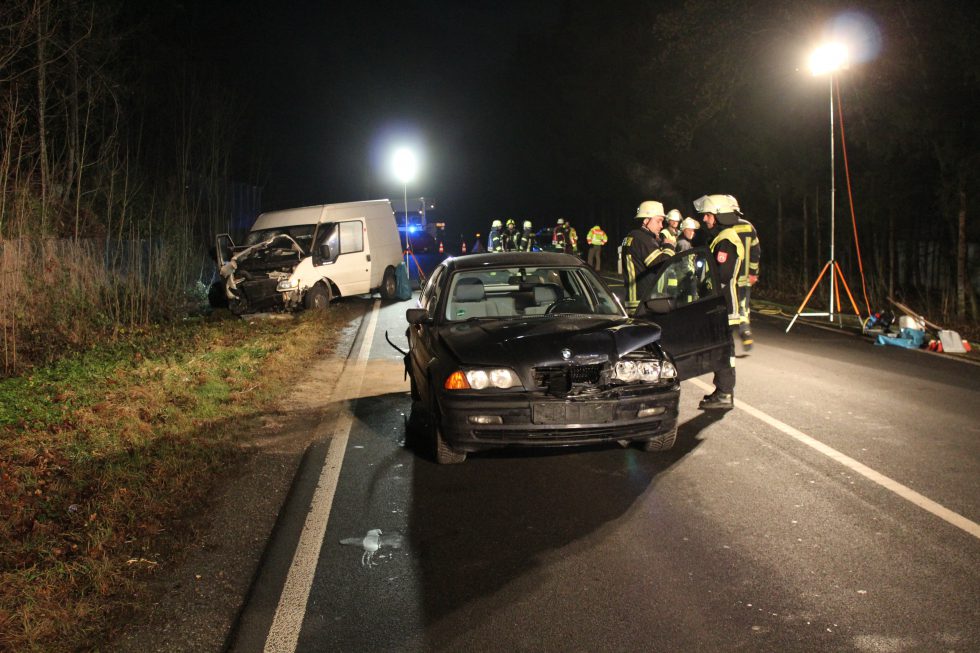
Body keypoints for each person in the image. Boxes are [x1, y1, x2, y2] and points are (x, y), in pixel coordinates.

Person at [693, 194, 744, 410]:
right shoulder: (720, 238)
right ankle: (723, 390)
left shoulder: (726, 240)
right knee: (722, 349)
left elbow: (721, 275)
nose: (705, 219)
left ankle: (724, 392)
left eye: (708, 215)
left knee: (723, 350)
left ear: (719, 216)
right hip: (719, 304)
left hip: (723, 305)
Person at [621, 200, 676, 311]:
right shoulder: (642, 239)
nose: (661, 226)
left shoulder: (634, 237)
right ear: (646, 220)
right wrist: (669, 247)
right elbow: (660, 264)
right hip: (643, 304)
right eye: (658, 221)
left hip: (637, 302)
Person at [730, 217, 761, 351]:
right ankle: (745, 332)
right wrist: (753, 273)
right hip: (745, 276)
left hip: (730, 277)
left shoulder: (726, 227)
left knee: (729, 307)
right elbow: (756, 251)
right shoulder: (749, 227)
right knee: (743, 306)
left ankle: (726, 339)